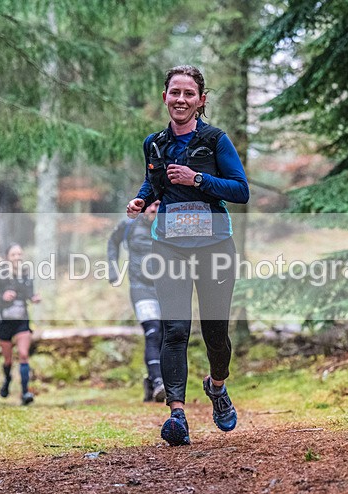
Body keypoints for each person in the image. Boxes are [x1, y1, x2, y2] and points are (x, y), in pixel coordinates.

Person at [126, 65, 249, 446]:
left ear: (201, 100)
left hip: (214, 247)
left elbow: (240, 190)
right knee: (175, 329)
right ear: (164, 97)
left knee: (215, 333)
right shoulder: (154, 143)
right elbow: (154, 179)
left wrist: (198, 180)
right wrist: (142, 197)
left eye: (189, 94)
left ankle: (216, 387)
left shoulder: (215, 141)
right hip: (170, 246)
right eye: (174, 92)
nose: (181, 99)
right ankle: (177, 415)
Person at [107, 200, 166, 403]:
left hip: (166, 288)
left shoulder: (171, 226)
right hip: (140, 288)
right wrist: (112, 268)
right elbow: (112, 242)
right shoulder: (129, 225)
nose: (153, 209)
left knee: (167, 334)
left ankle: (150, 381)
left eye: (158, 205)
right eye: (150, 205)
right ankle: (159, 382)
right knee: (153, 332)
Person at [0, 243, 41, 405]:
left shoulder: (25, 276)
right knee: (8, 359)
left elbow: (29, 294)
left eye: (19, 254)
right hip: (4, 321)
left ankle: (25, 393)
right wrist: (3, 297)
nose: (17, 257)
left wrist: (34, 298)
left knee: (24, 355)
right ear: (7, 257)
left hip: (22, 320)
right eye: (14, 255)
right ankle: (7, 380)